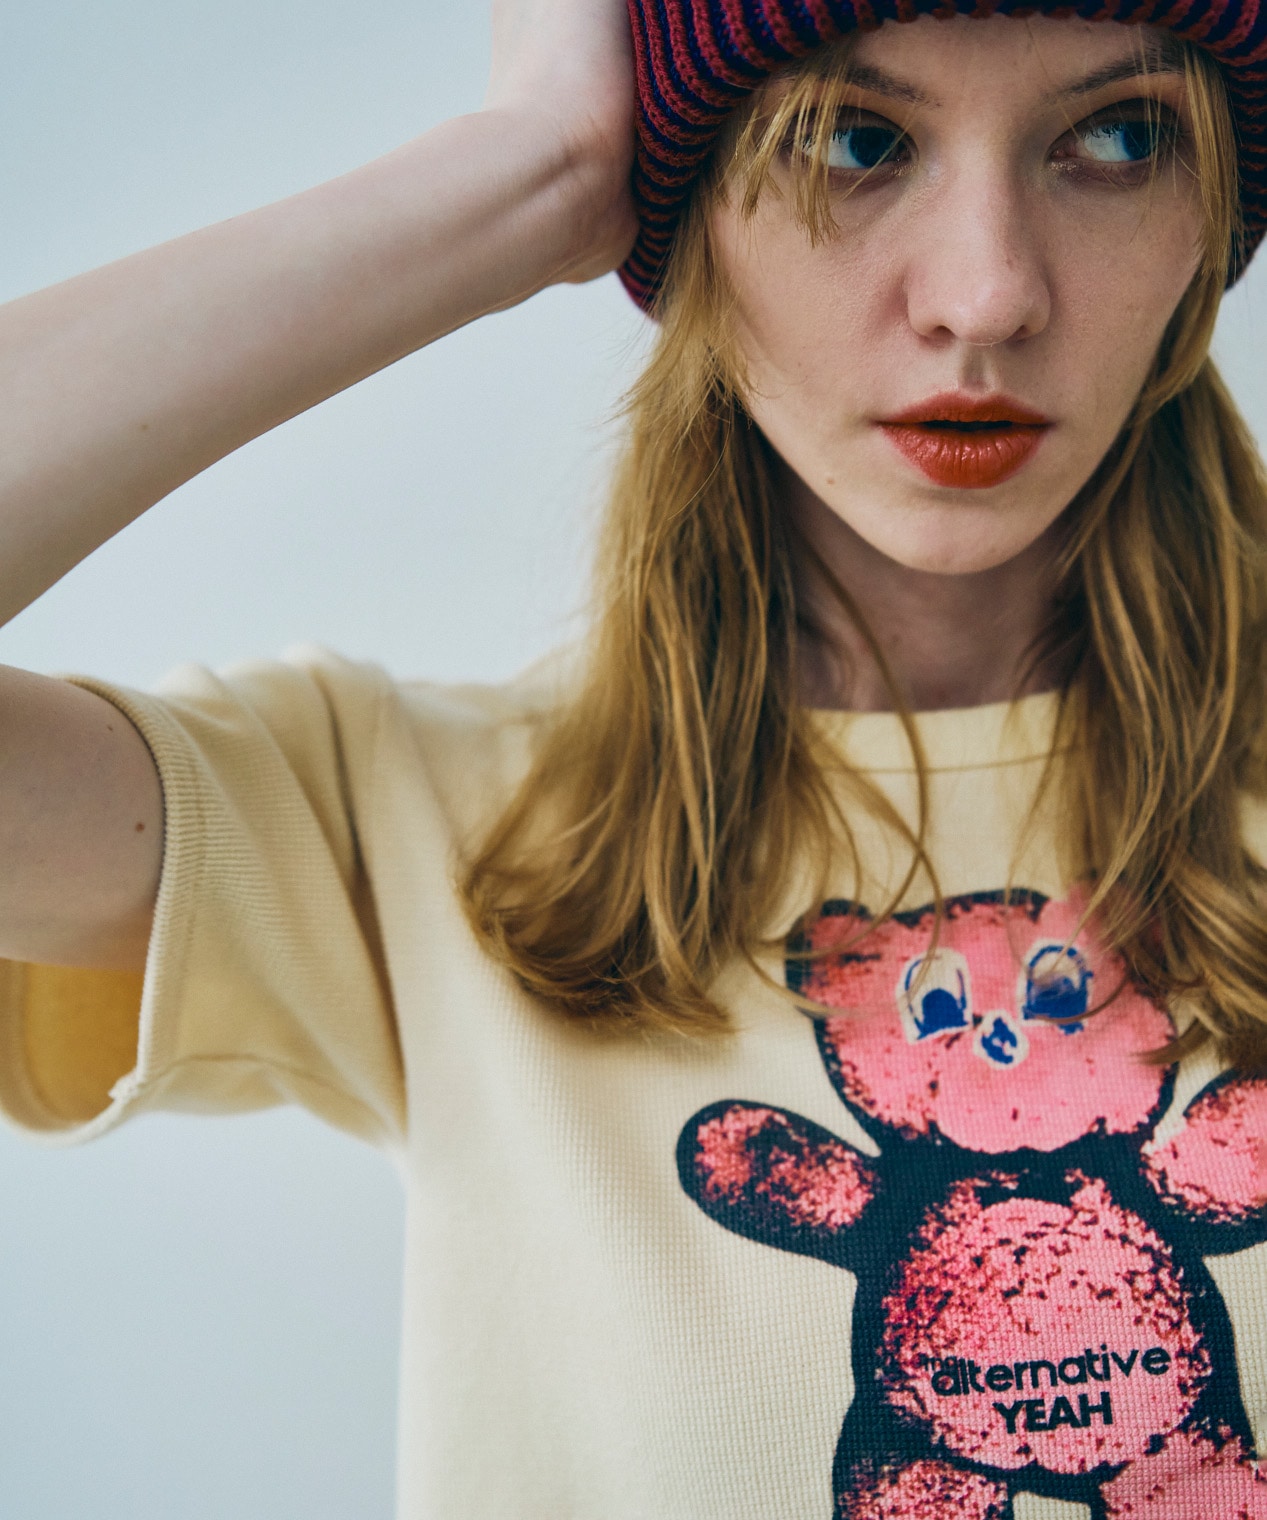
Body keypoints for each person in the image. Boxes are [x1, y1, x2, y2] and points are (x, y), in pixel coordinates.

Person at [2, 0, 1267, 1514]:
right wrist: (527, 170)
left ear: (1215, 219)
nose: (986, 296)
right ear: (689, 203)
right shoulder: (418, 829)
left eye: (1118, 137)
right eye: (851, 140)